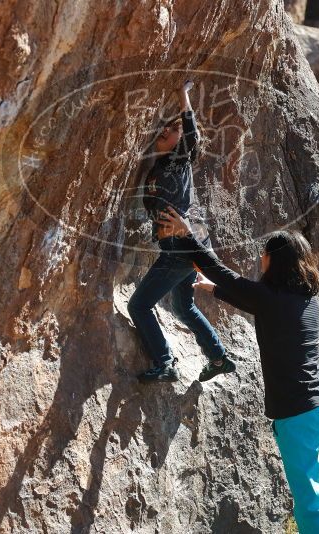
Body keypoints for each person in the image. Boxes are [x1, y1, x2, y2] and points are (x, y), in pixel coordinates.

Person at [157, 206, 319, 534]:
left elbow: (223, 273)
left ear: (275, 260)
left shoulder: (271, 298)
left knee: (312, 501)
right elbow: (254, 299)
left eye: (265, 256)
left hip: (298, 414)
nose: (261, 262)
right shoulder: (308, 298)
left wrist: (187, 235)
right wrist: (211, 289)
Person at [127, 80, 237, 383]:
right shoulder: (161, 166)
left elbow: (191, 134)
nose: (164, 132)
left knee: (138, 305)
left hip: (181, 248)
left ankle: (164, 362)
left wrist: (182, 95)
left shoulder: (178, 160)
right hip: (184, 247)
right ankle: (218, 358)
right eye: (162, 129)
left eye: (171, 130)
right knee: (183, 305)